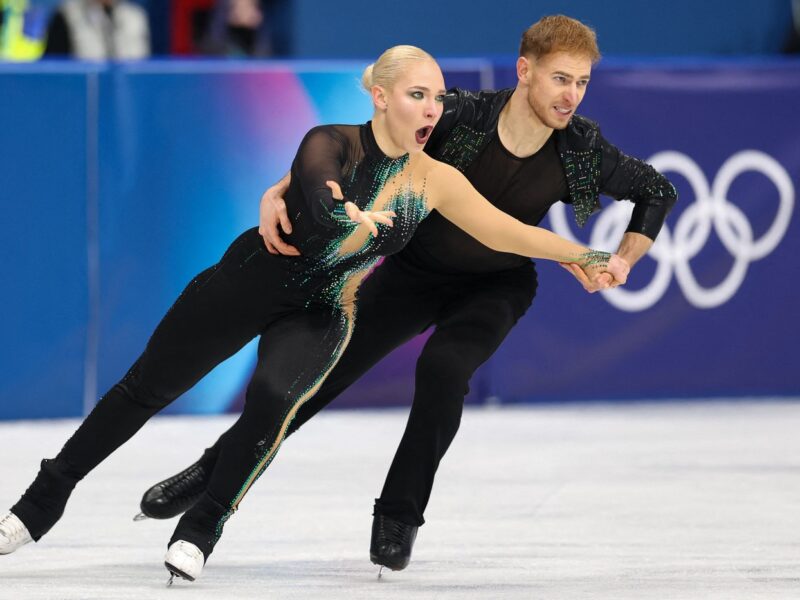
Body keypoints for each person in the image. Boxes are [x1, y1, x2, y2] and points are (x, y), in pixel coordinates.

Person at [0, 45, 628, 583]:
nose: (432, 109)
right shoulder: (329, 141)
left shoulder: (434, 178)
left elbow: (506, 232)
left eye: (437, 96)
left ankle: (204, 525)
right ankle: (41, 500)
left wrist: (585, 253)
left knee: (274, 401)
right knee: (147, 386)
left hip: (325, 309)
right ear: (380, 97)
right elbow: (322, 194)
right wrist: (350, 215)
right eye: (417, 94)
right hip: (252, 281)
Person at [135, 15, 677, 573]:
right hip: (414, 272)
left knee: (445, 371)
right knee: (316, 377)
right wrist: (279, 188)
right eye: (561, 79)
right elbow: (353, 149)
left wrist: (623, 260)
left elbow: (657, 191)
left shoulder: (581, 149)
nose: (572, 95)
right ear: (524, 71)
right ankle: (213, 470)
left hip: (497, 286)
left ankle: (399, 516)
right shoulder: (459, 115)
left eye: (583, 82)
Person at [43, 0, 150, 59]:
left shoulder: (135, 17)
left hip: (127, 95)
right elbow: (56, 73)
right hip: (82, 95)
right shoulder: (66, 16)